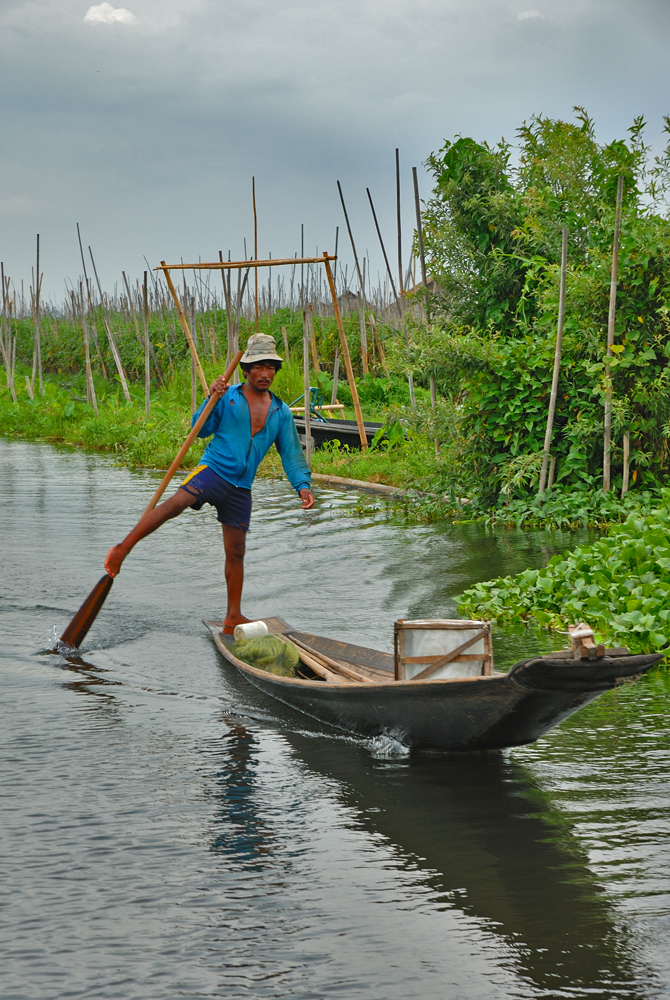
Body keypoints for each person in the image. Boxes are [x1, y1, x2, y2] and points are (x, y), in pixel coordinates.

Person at [104, 333, 314, 632]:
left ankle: (233, 616)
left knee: (237, 551)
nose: (265, 373)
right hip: (214, 470)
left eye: (270, 367)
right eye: (259, 367)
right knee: (174, 505)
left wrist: (302, 485)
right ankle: (122, 548)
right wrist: (211, 398)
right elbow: (200, 429)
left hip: (242, 488)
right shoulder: (228, 397)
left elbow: (291, 453)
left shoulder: (280, 411)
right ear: (246, 369)